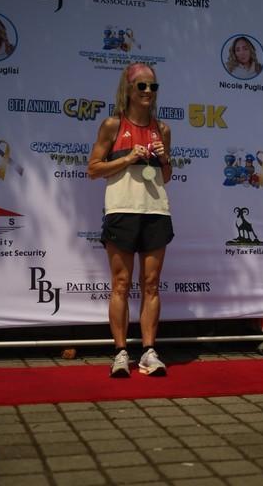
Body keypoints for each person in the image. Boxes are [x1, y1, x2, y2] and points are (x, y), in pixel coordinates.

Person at [88, 62, 174, 377]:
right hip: (121, 210)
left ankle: (149, 352)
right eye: (142, 86)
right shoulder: (112, 125)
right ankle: (120, 352)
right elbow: (93, 169)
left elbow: (166, 176)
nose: (149, 91)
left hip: (155, 211)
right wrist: (128, 158)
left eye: (153, 86)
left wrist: (164, 158)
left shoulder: (162, 129)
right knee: (121, 284)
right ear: (129, 89)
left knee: (151, 284)